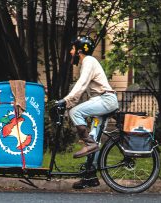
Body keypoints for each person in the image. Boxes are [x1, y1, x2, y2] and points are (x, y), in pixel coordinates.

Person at [56, 35, 119, 188]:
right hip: (102, 102)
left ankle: (88, 144)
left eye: (72, 49)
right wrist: (69, 100)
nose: (71, 52)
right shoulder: (87, 63)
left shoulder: (89, 61)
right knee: (94, 139)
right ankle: (90, 177)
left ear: (79, 50)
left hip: (105, 101)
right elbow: (83, 88)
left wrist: (66, 101)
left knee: (75, 112)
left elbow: (81, 84)